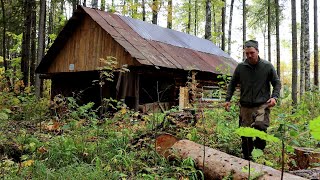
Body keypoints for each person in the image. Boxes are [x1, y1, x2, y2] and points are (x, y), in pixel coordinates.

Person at [224, 40, 281, 160]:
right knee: (245, 134)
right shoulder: (241, 67)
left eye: (252, 53)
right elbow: (232, 83)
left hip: (262, 105)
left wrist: (274, 97)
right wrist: (227, 99)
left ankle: (259, 155)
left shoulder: (267, 66)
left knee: (260, 129)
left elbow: (276, 83)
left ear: (257, 51)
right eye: (247, 53)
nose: (249, 55)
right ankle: (247, 158)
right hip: (245, 107)